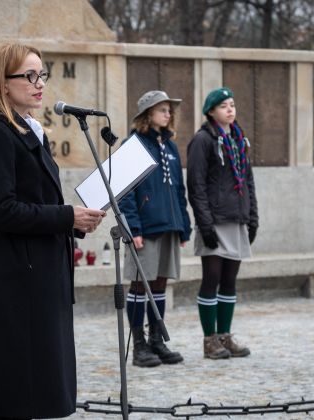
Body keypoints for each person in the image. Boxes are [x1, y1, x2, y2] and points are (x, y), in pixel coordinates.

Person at [0, 43, 106, 419]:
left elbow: (39, 199)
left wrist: (77, 221)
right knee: (16, 380)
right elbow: (1, 211)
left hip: (43, 267)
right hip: (16, 273)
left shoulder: (31, 131)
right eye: (28, 75)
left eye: (41, 74)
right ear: (3, 82)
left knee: (41, 376)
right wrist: (66, 217)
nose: (39, 83)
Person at [119, 90, 192, 367]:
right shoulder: (133, 145)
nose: (168, 114)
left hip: (169, 226)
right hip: (145, 229)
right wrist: (133, 228)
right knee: (140, 285)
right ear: (147, 114)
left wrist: (183, 226)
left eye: (169, 109)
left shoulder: (170, 146)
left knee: (160, 284)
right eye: (162, 109)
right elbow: (125, 193)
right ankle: (139, 345)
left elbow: (178, 190)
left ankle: (156, 341)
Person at [187, 87, 258, 359]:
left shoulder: (239, 140)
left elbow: (248, 182)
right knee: (212, 279)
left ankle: (225, 336)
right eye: (224, 106)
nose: (230, 109)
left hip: (237, 218)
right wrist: (205, 225)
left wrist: (253, 219)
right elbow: (196, 184)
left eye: (232, 104)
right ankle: (210, 340)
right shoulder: (203, 140)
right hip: (214, 221)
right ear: (211, 111)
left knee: (229, 280)